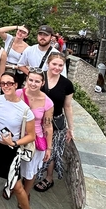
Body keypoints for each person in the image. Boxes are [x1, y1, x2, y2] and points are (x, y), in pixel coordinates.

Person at [0, 71, 36, 209]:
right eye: (2, 83)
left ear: (16, 85)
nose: (5, 86)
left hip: (11, 150)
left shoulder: (25, 110)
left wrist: (14, 142)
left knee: (17, 186)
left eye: (9, 83)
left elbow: (31, 136)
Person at [35, 53, 75, 193]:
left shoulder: (67, 84)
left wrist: (71, 128)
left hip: (55, 123)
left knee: (51, 151)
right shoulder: (39, 78)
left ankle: (49, 177)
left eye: (60, 65)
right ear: (48, 63)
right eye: (54, 64)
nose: (57, 67)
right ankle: (32, 173)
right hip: (36, 120)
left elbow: (67, 106)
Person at [16, 70, 53, 200]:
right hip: (17, 136)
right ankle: (13, 187)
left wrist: (49, 148)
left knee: (30, 171)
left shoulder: (47, 102)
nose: (33, 83)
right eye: (31, 80)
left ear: (42, 83)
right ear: (26, 79)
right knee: (15, 166)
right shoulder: (17, 94)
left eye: (37, 81)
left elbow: (48, 125)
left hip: (34, 140)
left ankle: (25, 194)